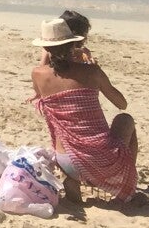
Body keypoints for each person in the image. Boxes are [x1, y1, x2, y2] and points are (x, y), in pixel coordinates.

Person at [31, 12, 137, 202]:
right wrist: (95, 70)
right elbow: (121, 103)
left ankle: (72, 180)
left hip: (65, 160)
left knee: (60, 122)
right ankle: (125, 187)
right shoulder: (92, 72)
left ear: (45, 48)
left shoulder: (37, 74)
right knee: (126, 119)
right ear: (74, 43)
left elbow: (45, 90)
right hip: (100, 160)